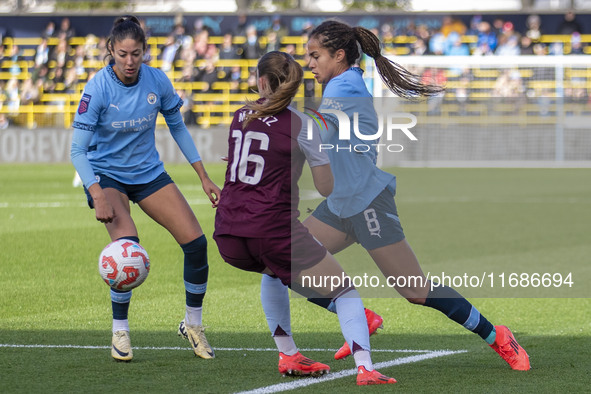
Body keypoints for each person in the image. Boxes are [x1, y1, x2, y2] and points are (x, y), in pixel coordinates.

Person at [301, 20, 531, 371]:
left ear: (339, 55)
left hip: (366, 202)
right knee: (283, 260)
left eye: (315, 56)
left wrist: (274, 113)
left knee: (416, 291)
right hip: (341, 203)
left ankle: (497, 335)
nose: (310, 63)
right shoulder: (340, 85)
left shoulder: (345, 87)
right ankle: (359, 317)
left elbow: (315, 127)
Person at [212, 51, 396, 385]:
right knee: (345, 292)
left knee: (271, 272)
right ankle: (365, 367)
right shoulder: (301, 125)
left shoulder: (240, 115)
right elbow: (325, 188)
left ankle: (288, 354)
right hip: (271, 229)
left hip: (228, 232)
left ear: (261, 81)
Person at [70, 15, 220, 362]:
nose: (129, 61)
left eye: (136, 54)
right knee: (127, 250)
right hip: (107, 177)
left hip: (148, 174)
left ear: (145, 52)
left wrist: (203, 176)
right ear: (111, 50)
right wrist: (96, 194)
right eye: (122, 54)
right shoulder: (97, 88)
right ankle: (119, 330)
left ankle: (193, 325)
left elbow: (179, 128)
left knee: (197, 244)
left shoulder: (157, 80)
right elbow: (77, 150)